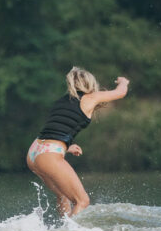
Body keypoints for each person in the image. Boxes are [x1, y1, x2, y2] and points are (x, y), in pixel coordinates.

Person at [26, 67, 129, 217]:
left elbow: (55, 130)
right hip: (49, 155)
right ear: (90, 84)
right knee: (82, 201)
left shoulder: (61, 101)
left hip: (34, 152)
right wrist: (123, 82)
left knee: (63, 195)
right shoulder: (90, 98)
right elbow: (120, 92)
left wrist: (66, 147)